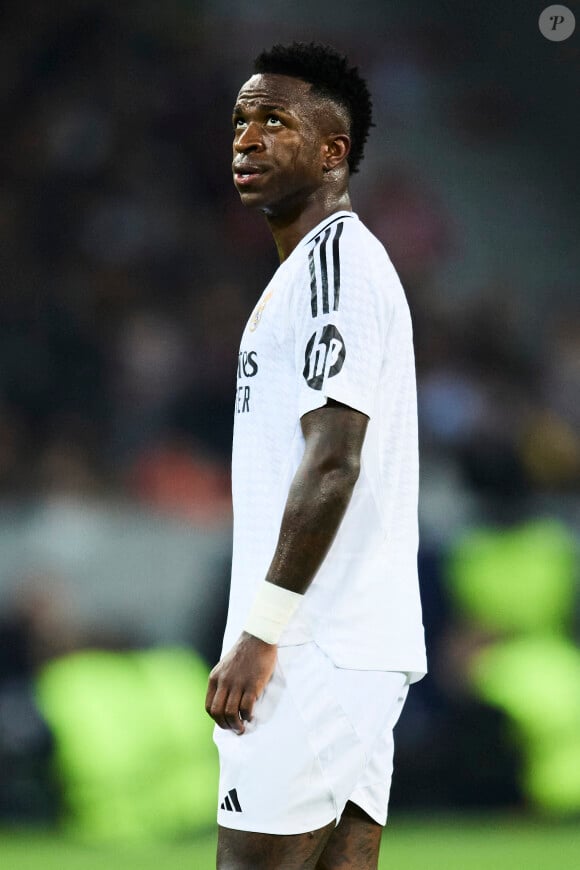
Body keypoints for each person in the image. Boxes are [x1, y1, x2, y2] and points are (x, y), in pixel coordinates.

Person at [205, 42, 427, 870]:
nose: (247, 138)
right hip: (340, 643)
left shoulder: (334, 264)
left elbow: (334, 460)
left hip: (314, 645)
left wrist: (262, 635)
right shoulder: (307, 272)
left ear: (334, 152)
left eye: (273, 120)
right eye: (239, 120)